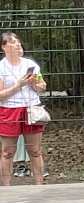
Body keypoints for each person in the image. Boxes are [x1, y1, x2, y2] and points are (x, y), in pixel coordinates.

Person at [0, 31, 47, 186]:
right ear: (3, 47)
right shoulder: (1, 68)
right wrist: (18, 85)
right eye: (12, 42)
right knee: (8, 152)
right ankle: (6, 187)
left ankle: (39, 185)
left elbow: (42, 87)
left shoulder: (30, 65)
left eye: (17, 41)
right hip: (9, 110)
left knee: (35, 150)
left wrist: (35, 84)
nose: (17, 44)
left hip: (31, 109)